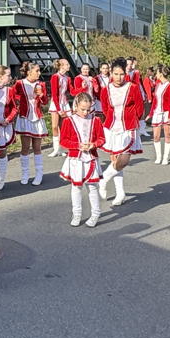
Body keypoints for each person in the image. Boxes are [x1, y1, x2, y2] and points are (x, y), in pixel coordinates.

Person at [99, 57, 145, 207]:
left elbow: (139, 108)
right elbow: (105, 108)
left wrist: (133, 120)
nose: (118, 77)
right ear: (111, 73)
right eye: (115, 74)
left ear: (125, 74)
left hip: (128, 127)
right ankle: (120, 193)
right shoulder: (106, 89)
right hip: (112, 127)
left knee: (124, 160)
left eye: (121, 74)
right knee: (115, 160)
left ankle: (103, 179)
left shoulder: (132, 87)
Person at [59, 91, 105, 227]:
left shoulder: (96, 120)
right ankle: (77, 213)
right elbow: (63, 140)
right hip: (76, 159)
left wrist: (93, 144)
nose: (85, 112)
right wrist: (77, 146)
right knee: (76, 187)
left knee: (92, 187)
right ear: (76, 106)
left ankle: (95, 213)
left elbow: (102, 138)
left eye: (88, 109)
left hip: (91, 158)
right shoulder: (68, 121)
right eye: (82, 109)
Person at [14, 61, 48, 184]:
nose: (39, 73)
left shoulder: (41, 84)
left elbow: (45, 102)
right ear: (29, 72)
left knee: (37, 148)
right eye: (36, 71)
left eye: (39, 70)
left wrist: (42, 95)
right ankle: (25, 173)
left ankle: (39, 174)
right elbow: (13, 98)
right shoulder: (19, 83)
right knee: (25, 147)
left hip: (37, 117)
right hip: (25, 117)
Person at [149, 64, 170, 165]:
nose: (155, 74)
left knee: (167, 134)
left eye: (157, 72)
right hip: (157, 112)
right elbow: (155, 101)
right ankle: (158, 156)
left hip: (166, 112)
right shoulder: (157, 85)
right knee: (156, 136)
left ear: (161, 74)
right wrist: (151, 113)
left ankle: (166, 157)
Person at [48, 58, 73, 157]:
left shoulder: (67, 78)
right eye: (67, 64)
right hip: (56, 103)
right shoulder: (55, 77)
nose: (69, 66)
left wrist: (82, 88)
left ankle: (61, 148)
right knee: (54, 126)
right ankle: (56, 149)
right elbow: (54, 94)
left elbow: (72, 91)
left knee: (62, 128)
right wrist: (58, 109)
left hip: (64, 103)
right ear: (61, 66)